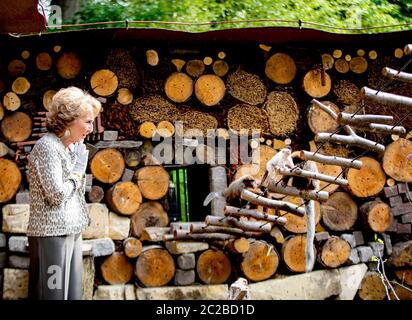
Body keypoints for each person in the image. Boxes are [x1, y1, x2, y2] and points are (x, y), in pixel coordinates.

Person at [27, 86, 101, 300]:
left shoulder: (67, 148)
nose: (91, 128)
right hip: (52, 234)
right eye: (87, 121)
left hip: (71, 230)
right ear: (68, 120)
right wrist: (77, 174)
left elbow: (73, 193)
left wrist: (76, 170)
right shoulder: (47, 147)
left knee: (72, 295)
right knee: (53, 294)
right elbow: (56, 194)